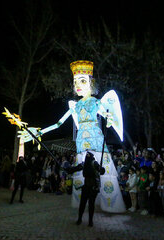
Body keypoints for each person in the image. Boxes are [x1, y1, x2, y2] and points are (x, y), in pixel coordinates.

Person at [18, 60, 125, 213]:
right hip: (81, 141)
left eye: (82, 81)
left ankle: (110, 203)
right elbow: (58, 124)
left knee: (105, 171)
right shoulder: (75, 105)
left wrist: (109, 120)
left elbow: (109, 118)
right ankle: (83, 202)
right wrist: (40, 132)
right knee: (82, 171)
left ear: (91, 82)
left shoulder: (96, 102)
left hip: (96, 137)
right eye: (75, 82)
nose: (78, 85)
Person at [65, 152, 105, 227]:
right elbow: (75, 168)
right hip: (86, 186)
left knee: (91, 204)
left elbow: (101, 171)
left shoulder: (94, 163)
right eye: (87, 154)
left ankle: (90, 221)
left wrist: (101, 169)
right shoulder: (84, 164)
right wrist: (68, 169)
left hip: (93, 187)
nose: (87, 155)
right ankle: (79, 219)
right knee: (82, 204)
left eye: (88, 154)